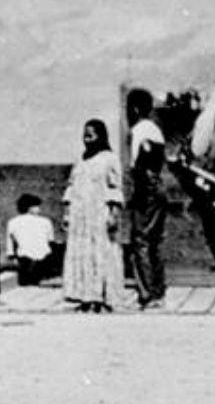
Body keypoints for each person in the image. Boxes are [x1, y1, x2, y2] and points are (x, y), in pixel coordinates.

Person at [63, 118, 126, 311]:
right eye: (85, 135)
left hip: (99, 213)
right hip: (80, 216)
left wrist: (114, 214)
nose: (87, 138)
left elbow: (115, 188)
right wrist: (67, 213)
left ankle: (101, 297)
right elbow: (71, 187)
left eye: (92, 134)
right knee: (82, 254)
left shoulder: (109, 158)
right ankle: (85, 296)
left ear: (101, 136)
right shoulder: (80, 159)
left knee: (101, 253)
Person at [125, 88, 168, 310]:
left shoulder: (138, 130)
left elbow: (137, 165)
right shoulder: (156, 130)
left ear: (133, 108)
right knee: (155, 242)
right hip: (159, 186)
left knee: (140, 241)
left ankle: (147, 293)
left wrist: (135, 195)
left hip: (145, 188)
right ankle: (159, 290)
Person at [6, 193, 59, 286]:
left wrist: (12, 257)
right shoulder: (46, 221)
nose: (40, 209)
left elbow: (10, 245)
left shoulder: (12, 222)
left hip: (24, 259)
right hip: (45, 259)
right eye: (37, 207)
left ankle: (28, 273)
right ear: (30, 208)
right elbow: (50, 241)